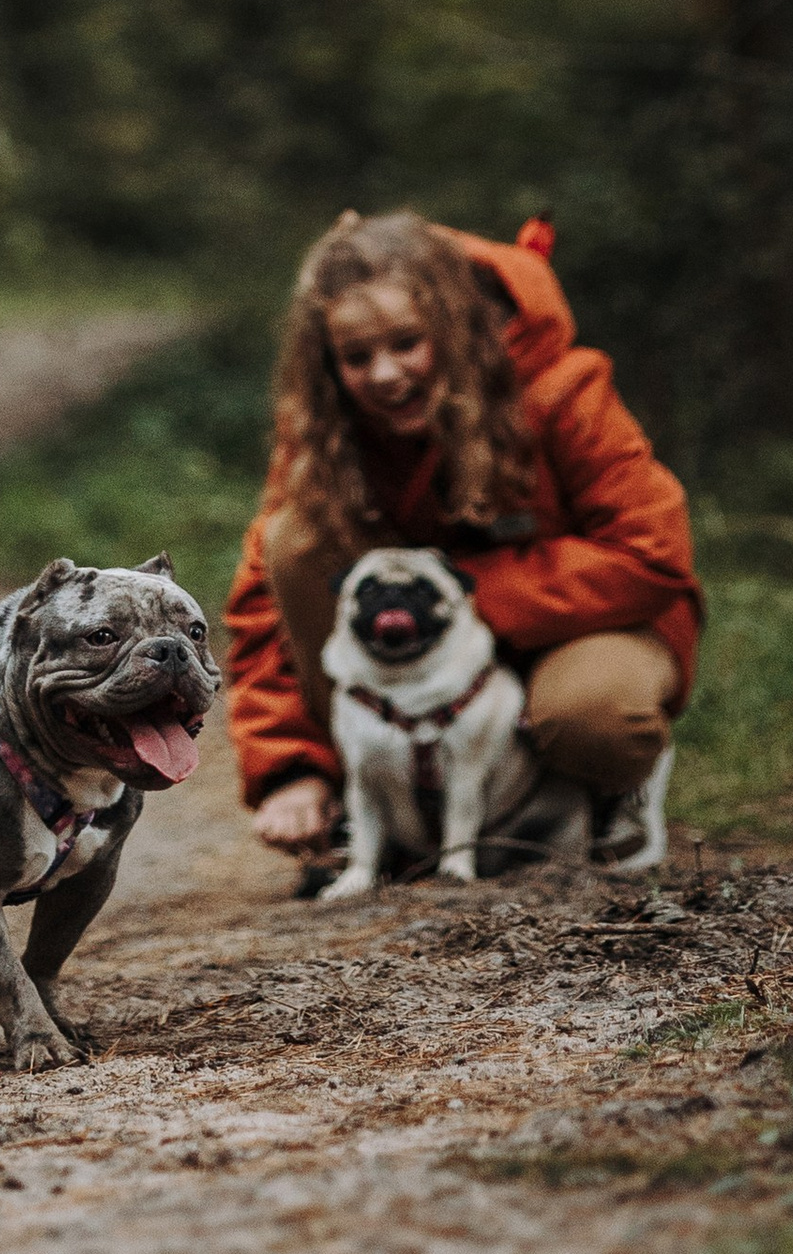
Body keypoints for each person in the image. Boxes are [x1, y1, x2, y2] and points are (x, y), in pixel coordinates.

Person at [222, 207, 701, 866]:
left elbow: (652, 553)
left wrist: (461, 588)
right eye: (356, 356)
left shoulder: (565, 388)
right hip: (413, 641)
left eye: (407, 342)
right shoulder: (325, 429)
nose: (385, 374)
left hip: (583, 628)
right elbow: (263, 610)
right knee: (295, 538)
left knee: (595, 714)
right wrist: (289, 766)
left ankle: (611, 790)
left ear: (456, 323)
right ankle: (368, 799)